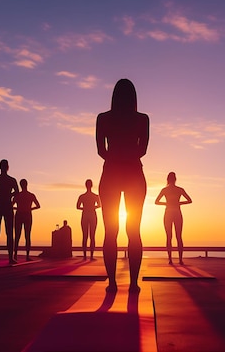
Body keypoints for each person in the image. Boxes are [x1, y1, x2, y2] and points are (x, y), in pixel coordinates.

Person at [96, 79, 149, 293]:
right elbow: (143, 149)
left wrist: (115, 158)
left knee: (110, 231)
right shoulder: (142, 119)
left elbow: (101, 150)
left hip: (110, 173)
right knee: (134, 230)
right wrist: (127, 157)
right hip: (134, 173)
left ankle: (112, 283)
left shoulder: (103, 118)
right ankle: (134, 283)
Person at [155, 172, 192, 265]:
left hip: (169, 212)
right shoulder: (179, 189)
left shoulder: (165, 190)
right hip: (176, 212)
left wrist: (167, 204)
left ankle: (170, 259)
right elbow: (189, 200)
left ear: (167, 179)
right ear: (175, 179)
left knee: (169, 237)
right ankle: (179, 259)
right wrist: (178, 203)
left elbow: (156, 202)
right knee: (178, 236)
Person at [0, 159, 19, 264]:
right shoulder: (11, 180)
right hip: (5, 205)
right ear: (7, 167)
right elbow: (17, 192)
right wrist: (8, 195)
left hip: (0, 204)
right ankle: (8, 257)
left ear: (0, 167)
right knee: (8, 232)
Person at [13, 179, 40, 261]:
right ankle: (27, 256)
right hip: (27, 214)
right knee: (27, 235)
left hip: (19, 214)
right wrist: (30, 208)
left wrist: (18, 208)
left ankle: (15, 255)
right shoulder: (31, 195)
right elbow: (38, 206)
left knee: (18, 235)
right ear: (26, 185)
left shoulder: (17, 195)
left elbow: (11, 205)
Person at [76, 179, 101, 260]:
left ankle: (86, 256)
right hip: (91, 215)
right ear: (91, 185)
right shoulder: (94, 196)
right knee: (91, 236)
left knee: (86, 236)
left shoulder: (83, 196)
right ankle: (90, 256)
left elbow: (78, 207)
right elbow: (99, 205)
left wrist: (85, 208)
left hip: (86, 214)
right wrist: (92, 207)